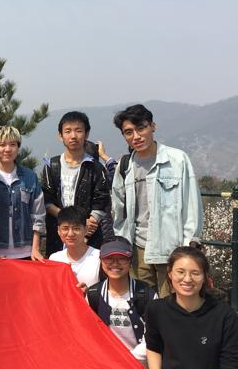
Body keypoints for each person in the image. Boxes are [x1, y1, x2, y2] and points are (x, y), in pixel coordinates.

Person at [111, 104, 203, 297]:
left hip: (172, 249)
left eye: (141, 128)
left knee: (173, 304)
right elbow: (118, 209)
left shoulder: (177, 160)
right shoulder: (125, 165)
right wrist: (123, 241)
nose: (136, 136)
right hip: (137, 251)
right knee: (143, 305)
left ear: (153, 126)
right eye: (129, 132)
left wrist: (189, 245)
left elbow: (192, 205)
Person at [41, 111, 110, 257]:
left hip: (89, 235)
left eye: (78, 130)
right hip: (59, 234)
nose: (73, 136)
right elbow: (47, 200)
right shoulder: (52, 165)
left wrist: (88, 223)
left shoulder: (96, 168)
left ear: (86, 134)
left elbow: (101, 200)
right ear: (60, 136)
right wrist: (70, 220)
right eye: (68, 131)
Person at [87, 236, 157, 364]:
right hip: (105, 364)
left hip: (140, 365)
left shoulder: (147, 294)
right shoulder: (93, 295)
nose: (115, 263)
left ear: (131, 261)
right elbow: (88, 333)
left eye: (122, 258)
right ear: (101, 261)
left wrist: (128, 361)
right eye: (109, 258)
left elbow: (152, 335)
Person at [0, 126, 45, 260]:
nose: (7, 149)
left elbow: (38, 215)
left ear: (18, 148)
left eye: (12, 144)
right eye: (2, 145)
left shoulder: (30, 176)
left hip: (26, 252)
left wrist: (35, 248)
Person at [48, 206, 101, 294]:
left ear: (86, 230)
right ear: (58, 231)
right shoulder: (54, 259)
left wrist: (89, 294)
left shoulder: (99, 257)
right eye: (65, 228)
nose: (70, 234)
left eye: (76, 229)